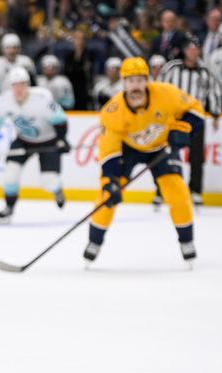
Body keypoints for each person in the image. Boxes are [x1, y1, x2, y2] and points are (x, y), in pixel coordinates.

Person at [83, 57, 205, 265]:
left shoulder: (166, 93)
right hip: (128, 150)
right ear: (123, 83)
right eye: (130, 81)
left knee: (177, 192)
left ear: (147, 80)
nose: (136, 86)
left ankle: (186, 241)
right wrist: (110, 179)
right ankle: (94, 241)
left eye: (140, 80)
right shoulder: (113, 112)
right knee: (107, 195)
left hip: (161, 147)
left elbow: (195, 109)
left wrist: (184, 128)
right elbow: (109, 149)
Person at [0, 66, 70, 224]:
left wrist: (62, 139)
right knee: (10, 174)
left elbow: (60, 121)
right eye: (15, 85)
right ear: (10, 86)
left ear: (28, 84)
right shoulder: (4, 101)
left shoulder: (42, 98)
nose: (19, 89)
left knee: (48, 181)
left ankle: (57, 190)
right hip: (23, 141)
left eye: (22, 84)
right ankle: (9, 208)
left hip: (49, 140)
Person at [159, 36, 221, 207]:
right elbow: (160, 88)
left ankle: (195, 191)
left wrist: (215, 113)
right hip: (174, 116)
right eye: (190, 48)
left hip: (196, 118)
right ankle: (162, 190)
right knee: (165, 154)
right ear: (185, 50)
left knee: (196, 156)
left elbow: (214, 91)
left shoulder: (205, 71)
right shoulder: (172, 68)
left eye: (196, 48)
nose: (193, 51)